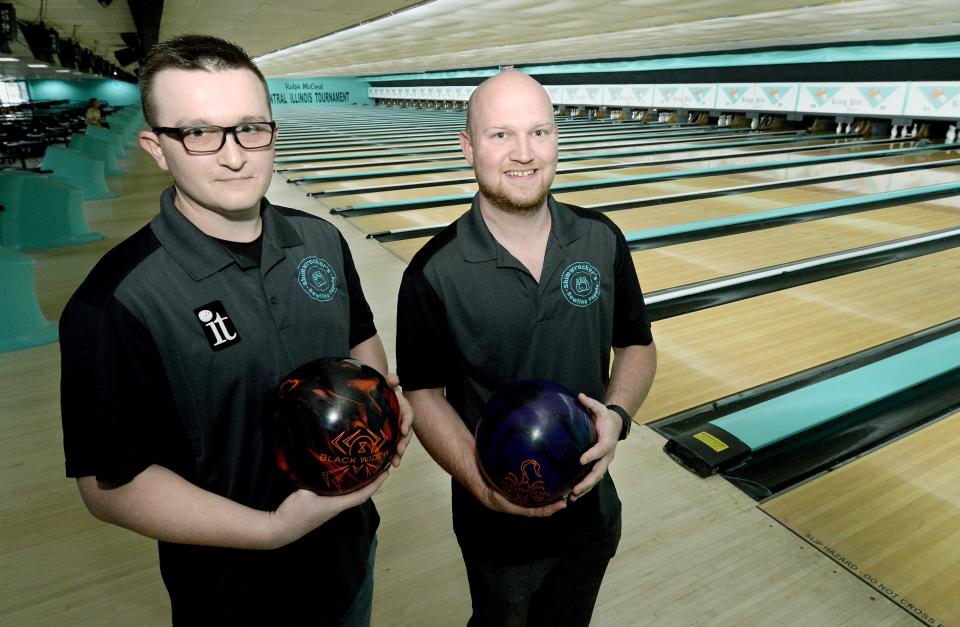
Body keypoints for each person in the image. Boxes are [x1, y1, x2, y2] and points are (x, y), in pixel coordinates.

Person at [60, 34, 412, 625]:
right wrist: (271, 530)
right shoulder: (116, 302)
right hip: (234, 594)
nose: (234, 155)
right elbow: (108, 483)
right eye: (199, 132)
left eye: (250, 127)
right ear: (156, 147)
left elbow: (359, 342)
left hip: (351, 556)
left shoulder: (323, 240)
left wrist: (380, 417)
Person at [396, 70, 657, 626]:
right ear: (468, 147)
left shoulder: (600, 238)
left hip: (593, 512)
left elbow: (636, 345)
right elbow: (423, 394)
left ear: (557, 139)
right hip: (498, 528)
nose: (523, 153)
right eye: (500, 135)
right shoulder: (432, 272)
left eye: (539, 132)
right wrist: (480, 485)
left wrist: (616, 416)